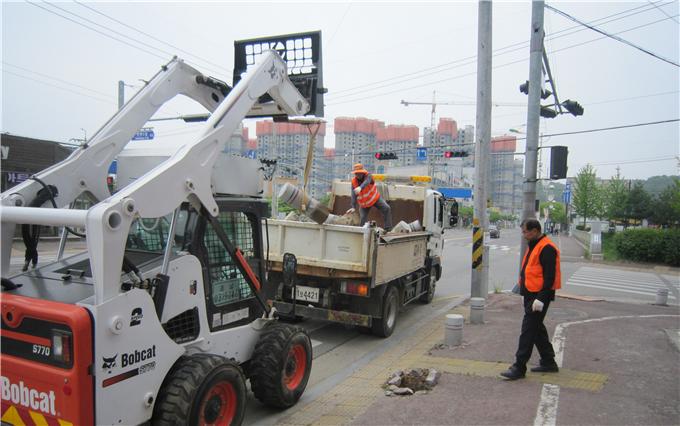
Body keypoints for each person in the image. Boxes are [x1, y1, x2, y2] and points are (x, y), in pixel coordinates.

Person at [501, 218, 561, 380]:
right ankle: (549, 362)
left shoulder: (547, 248)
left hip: (539, 296)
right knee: (536, 329)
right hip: (530, 294)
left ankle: (519, 367)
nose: (523, 235)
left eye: (525, 231)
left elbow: (549, 277)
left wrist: (541, 299)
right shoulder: (535, 245)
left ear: (535, 231)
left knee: (528, 331)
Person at [346, 163, 392, 231]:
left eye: (359, 173)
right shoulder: (353, 182)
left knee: (387, 208)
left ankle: (388, 229)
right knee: (363, 218)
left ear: (362, 172)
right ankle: (361, 232)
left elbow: (367, 182)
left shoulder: (368, 176)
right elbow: (353, 194)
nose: (357, 175)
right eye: (356, 173)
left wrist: (360, 188)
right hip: (364, 204)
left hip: (375, 199)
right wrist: (353, 206)